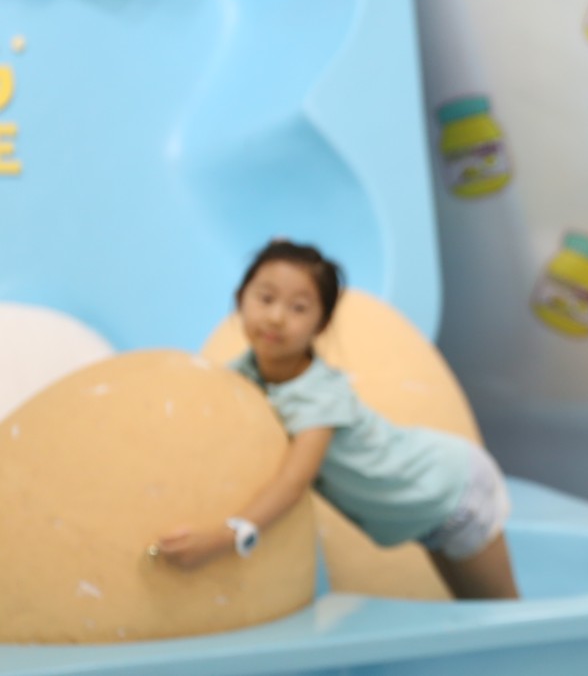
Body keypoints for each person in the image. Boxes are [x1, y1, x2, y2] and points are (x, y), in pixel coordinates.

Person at [155, 239, 519, 599]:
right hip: (421, 504)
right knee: (474, 609)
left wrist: (223, 538)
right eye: (265, 299)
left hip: (450, 489)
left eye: (298, 308)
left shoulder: (318, 396)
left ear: (321, 324)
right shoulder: (245, 373)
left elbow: (293, 482)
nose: (277, 317)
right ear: (240, 300)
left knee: (499, 612)